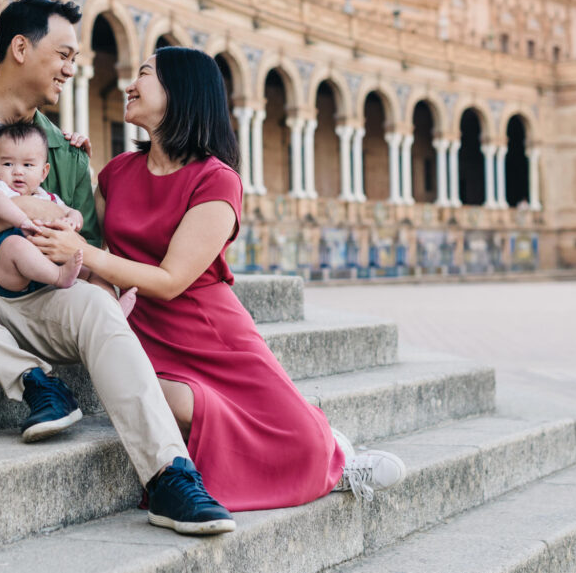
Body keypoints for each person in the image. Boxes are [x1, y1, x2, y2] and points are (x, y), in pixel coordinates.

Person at [0, 0, 235, 535]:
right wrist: (19, 211)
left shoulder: (65, 154)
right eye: (63, 54)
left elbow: (83, 253)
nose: (73, 68)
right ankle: (31, 380)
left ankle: (168, 474)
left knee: (94, 301)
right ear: (20, 47)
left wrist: (101, 285)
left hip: (32, 303)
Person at [32, 46, 406, 511]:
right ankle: (316, 440)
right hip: (144, 329)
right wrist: (73, 167)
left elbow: (171, 280)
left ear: (182, 92)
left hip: (210, 332)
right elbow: (90, 243)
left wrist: (84, 252)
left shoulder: (216, 179)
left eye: (145, 74)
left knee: (303, 443)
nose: (130, 84)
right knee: (173, 405)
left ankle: (334, 453)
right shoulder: (117, 173)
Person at [0, 122, 84, 296]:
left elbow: (71, 211)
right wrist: (22, 220)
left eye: (28, 165)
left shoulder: (48, 197)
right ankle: (60, 276)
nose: (18, 171)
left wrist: (73, 219)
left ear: (44, 172)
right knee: (16, 245)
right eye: (8, 164)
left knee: (85, 257)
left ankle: (111, 301)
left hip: (44, 274)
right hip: (8, 273)